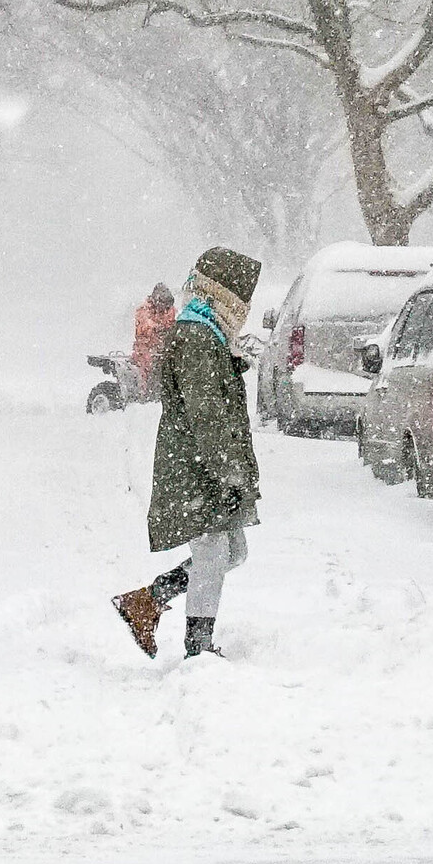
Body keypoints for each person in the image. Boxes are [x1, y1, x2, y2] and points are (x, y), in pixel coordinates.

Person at [110, 246, 261, 660]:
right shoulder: (196, 336)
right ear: (226, 297)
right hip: (196, 469)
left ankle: (149, 600)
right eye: (243, 300)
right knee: (213, 554)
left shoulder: (206, 333)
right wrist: (228, 475)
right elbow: (206, 416)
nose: (246, 310)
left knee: (234, 553)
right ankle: (198, 650)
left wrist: (228, 366)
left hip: (203, 466)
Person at [127, 282, 175, 400]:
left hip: (164, 347)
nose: (165, 308)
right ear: (156, 301)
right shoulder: (144, 309)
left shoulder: (170, 310)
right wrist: (159, 328)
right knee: (148, 364)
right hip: (145, 348)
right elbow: (144, 326)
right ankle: (145, 394)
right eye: (163, 304)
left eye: (167, 306)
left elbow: (174, 322)